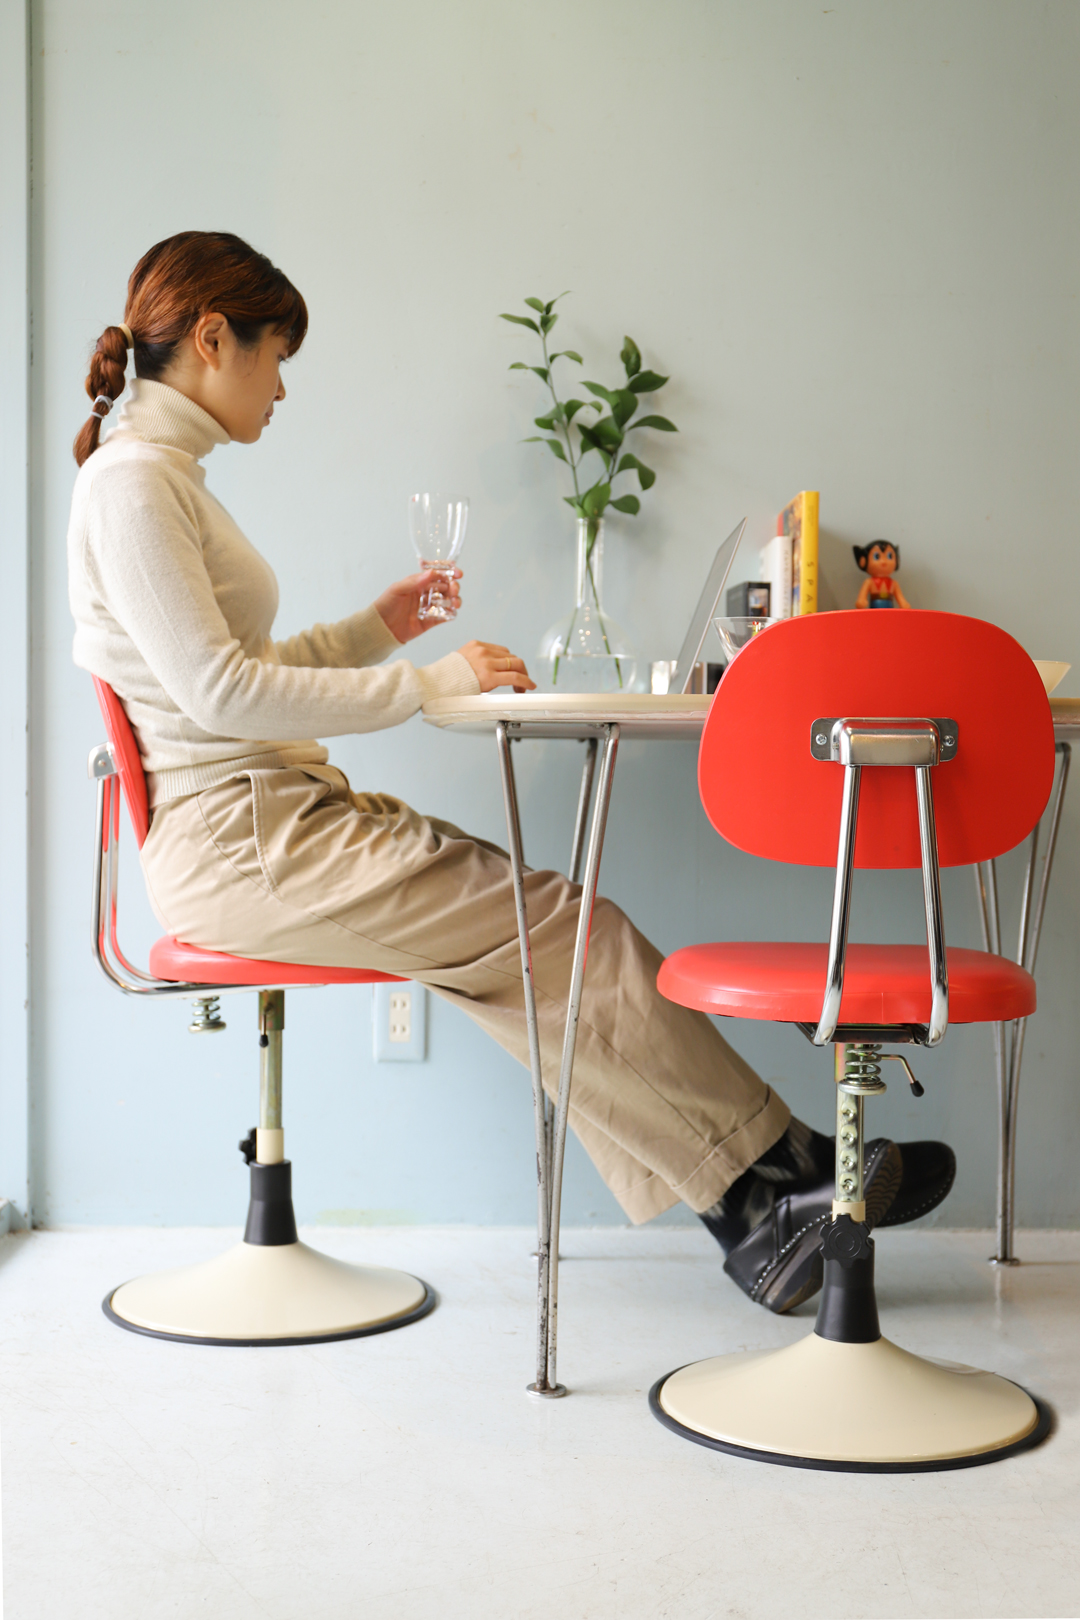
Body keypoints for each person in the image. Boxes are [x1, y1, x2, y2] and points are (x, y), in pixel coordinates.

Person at [68, 231, 954, 1315]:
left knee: (538, 945)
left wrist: (377, 629)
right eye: (275, 353)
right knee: (565, 931)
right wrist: (425, 685)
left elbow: (243, 674)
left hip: (271, 824)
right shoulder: (134, 488)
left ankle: (767, 1198)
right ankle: (780, 1183)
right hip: (249, 842)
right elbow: (219, 696)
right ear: (214, 338)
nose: (283, 385)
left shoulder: (164, 482)